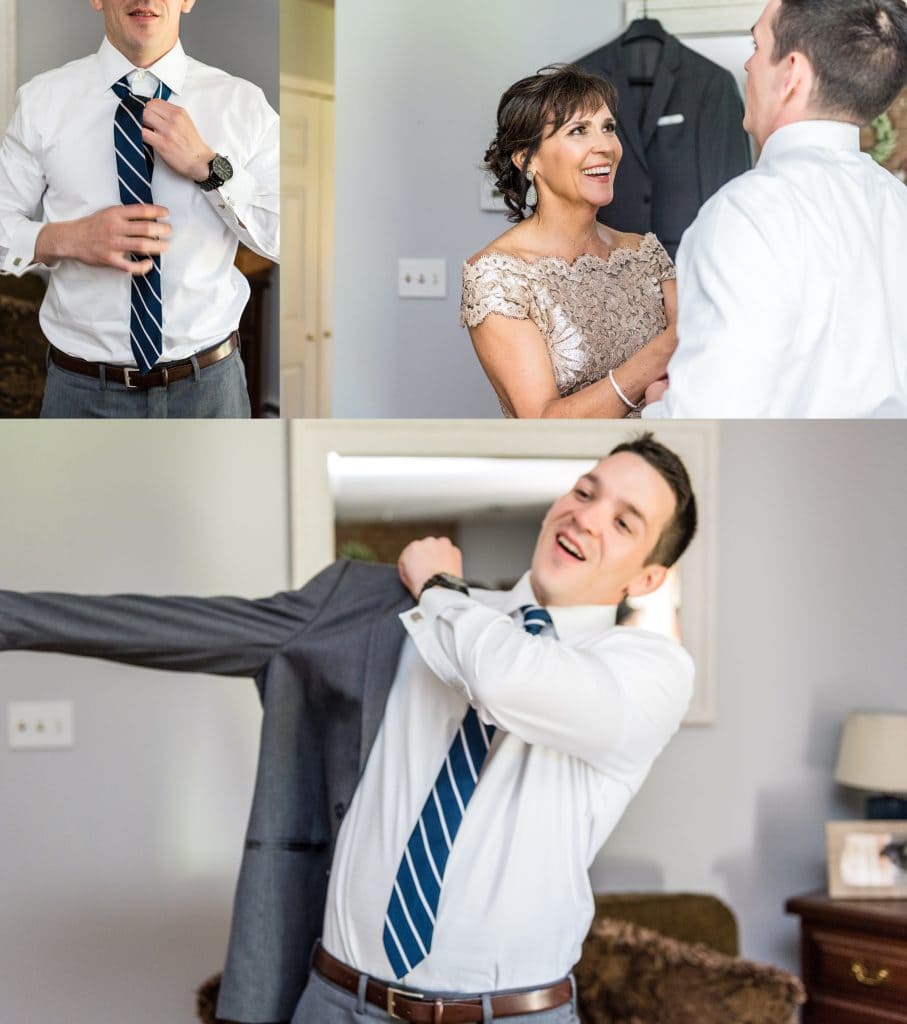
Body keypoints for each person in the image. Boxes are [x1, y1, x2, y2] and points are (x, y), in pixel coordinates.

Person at [0, 433, 697, 1024]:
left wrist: (439, 593)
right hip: (339, 1003)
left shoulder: (645, 671)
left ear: (646, 578)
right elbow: (185, 628)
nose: (585, 517)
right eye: (584, 490)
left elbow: (511, 682)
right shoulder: (384, 611)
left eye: (624, 521)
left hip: (513, 1012)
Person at [0, 0, 279, 418]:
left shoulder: (242, 104)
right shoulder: (43, 101)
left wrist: (209, 166)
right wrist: (68, 238)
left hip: (210, 393)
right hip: (80, 394)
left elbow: (285, 236)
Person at [644, 0, 907, 418]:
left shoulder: (745, 214)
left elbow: (710, 419)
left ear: (792, 75)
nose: (748, 65)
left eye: (756, 45)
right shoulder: (898, 205)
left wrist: (660, 406)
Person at [460, 66, 678, 419]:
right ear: (527, 159)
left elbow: (699, 362)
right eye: (578, 130)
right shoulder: (496, 276)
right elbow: (543, 421)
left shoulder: (645, 254)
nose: (605, 146)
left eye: (608, 128)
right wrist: (659, 353)